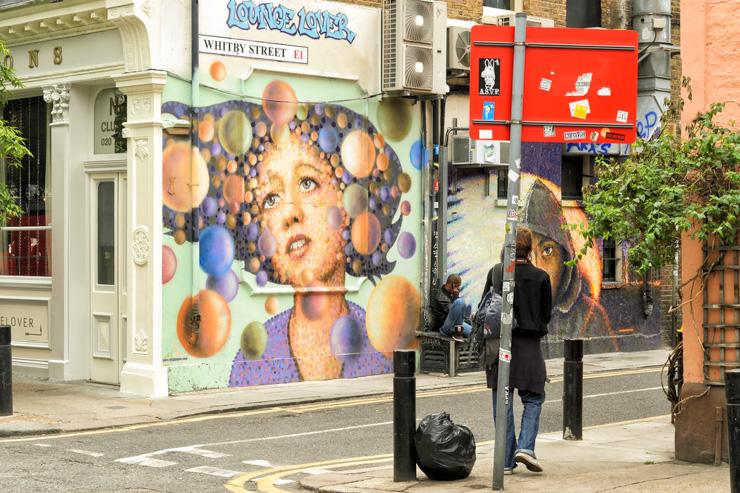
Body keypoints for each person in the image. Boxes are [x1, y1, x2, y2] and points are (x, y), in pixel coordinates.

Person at [162, 96, 408, 386]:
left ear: (349, 204)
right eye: (271, 199)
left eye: (307, 184)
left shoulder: (383, 349)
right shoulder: (251, 364)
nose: (290, 213)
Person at [522, 179, 618, 355]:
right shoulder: (514, 308)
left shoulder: (590, 316)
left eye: (547, 250)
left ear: (566, 255)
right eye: (528, 254)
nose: (536, 266)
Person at [486, 226, 552, 475]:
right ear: (530, 248)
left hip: (499, 348)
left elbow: (486, 308)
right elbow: (546, 315)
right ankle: (525, 447)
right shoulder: (541, 277)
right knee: (534, 398)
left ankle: (505, 461)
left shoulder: (497, 272)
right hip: (529, 349)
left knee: (502, 404)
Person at [430, 274, 471, 342]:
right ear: (450, 284)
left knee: (474, 332)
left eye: (459, 286)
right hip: (445, 327)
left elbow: (458, 315)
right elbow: (453, 312)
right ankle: (457, 333)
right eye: (456, 286)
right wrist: (456, 298)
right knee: (460, 302)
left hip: (455, 324)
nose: (458, 289)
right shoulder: (440, 296)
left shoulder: (449, 294)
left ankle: (458, 332)